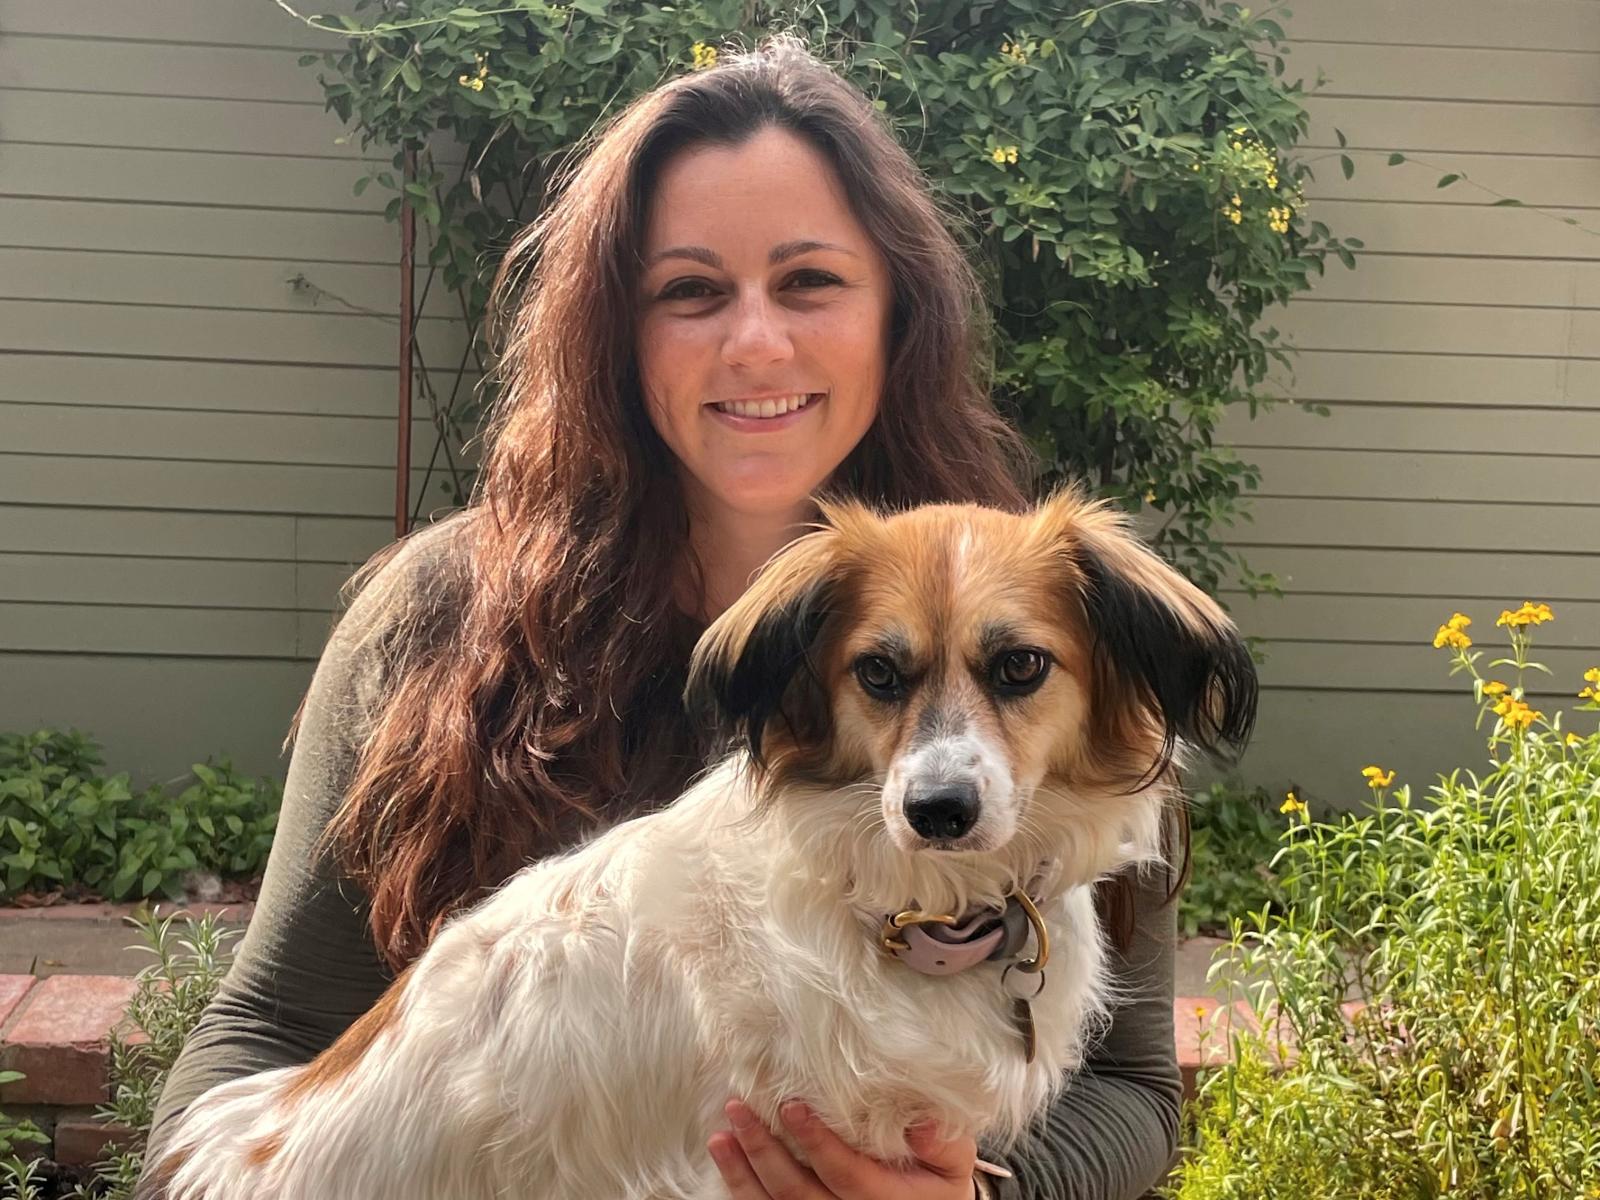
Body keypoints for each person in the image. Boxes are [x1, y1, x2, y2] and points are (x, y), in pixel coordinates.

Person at [146, 36, 1184, 1200]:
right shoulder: (437, 616)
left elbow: (1133, 1093)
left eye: (809, 281)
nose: (754, 341)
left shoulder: (1065, 631)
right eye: (689, 291)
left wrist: (988, 1195)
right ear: (614, 331)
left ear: (897, 310)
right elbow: (266, 1032)